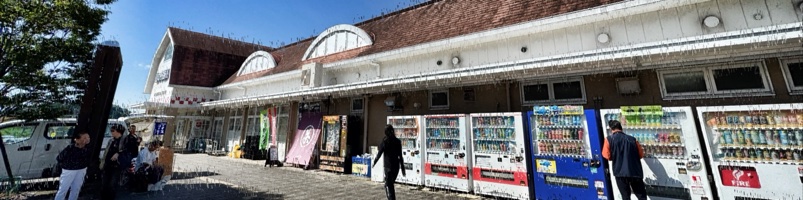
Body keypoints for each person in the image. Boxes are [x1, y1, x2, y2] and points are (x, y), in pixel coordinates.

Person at [602, 120, 647, 200]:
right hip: (635, 171)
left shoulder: (608, 140)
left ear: (611, 129)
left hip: (620, 172)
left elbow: (606, 156)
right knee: (641, 196)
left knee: (625, 196)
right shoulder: (633, 139)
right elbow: (641, 155)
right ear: (621, 128)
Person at [372, 125, 405, 200]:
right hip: (396, 167)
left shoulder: (385, 142)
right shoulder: (397, 142)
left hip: (388, 167)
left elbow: (379, 154)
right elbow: (400, 155)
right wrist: (402, 167)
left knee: (389, 186)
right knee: (390, 185)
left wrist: (374, 162)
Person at [54, 132, 90, 200]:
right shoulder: (70, 148)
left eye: (88, 137)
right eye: (84, 138)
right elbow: (59, 158)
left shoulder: (87, 148)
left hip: (81, 169)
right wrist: (66, 165)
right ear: (77, 139)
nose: (87, 139)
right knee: (63, 189)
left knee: (76, 189)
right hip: (69, 170)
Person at [101, 124, 125, 199]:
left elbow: (128, 151)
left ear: (118, 131)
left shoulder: (124, 140)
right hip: (107, 165)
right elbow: (106, 152)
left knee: (112, 185)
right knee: (104, 184)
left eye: (113, 131)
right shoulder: (111, 140)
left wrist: (118, 153)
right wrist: (103, 162)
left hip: (116, 166)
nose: (111, 132)